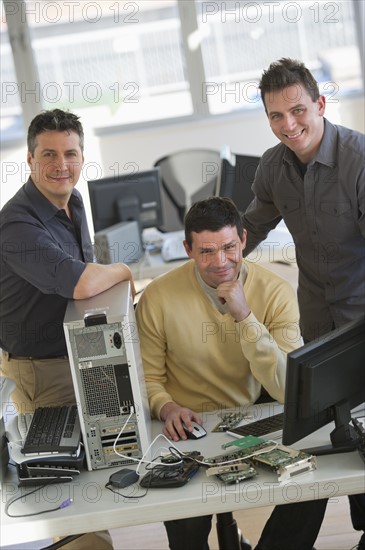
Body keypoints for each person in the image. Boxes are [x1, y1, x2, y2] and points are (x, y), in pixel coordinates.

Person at [240, 58, 365, 550]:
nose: (288, 125)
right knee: (317, 438)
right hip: (318, 325)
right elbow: (253, 226)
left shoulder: (357, 158)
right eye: (276, 115)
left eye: (297, 110)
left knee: (358, 442)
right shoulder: (273, 165)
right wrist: (217, 259)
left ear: (320, 104)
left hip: (362, 318)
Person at [0, 108, 135, 550]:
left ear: (82, 156)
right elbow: (81, 279)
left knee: (98, 467)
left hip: (78, 356)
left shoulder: (72, 200)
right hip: (40, 373)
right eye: (49, 155)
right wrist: (124, 271)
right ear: (30, 159)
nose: (62, 165)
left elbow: (85, 278)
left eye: (71, 154)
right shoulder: (17, 223)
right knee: (71, 499)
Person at [135, 196, 301, 550]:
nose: (221, 261)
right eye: (207, 252)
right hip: (187, 431)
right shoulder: (157, 298)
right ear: (188, 249)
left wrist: (245, 317)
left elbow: (290, 387)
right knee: (187, 528)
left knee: (310, 491)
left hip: (250, 416)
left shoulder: (277, 292)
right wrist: (166, 407)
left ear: (243, 239)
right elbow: (147, 378)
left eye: (229, 247)